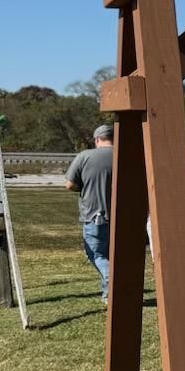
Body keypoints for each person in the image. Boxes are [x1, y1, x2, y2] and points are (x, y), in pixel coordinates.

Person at [66, 124, 115, 302]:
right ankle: (108, 295)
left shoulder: (85, 156)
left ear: (97, 139)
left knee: (95, 254)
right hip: (120, 216)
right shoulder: (124, 155)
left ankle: (111, 280)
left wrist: (84, 188)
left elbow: (70, 184)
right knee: (111, 254)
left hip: (95, 215)